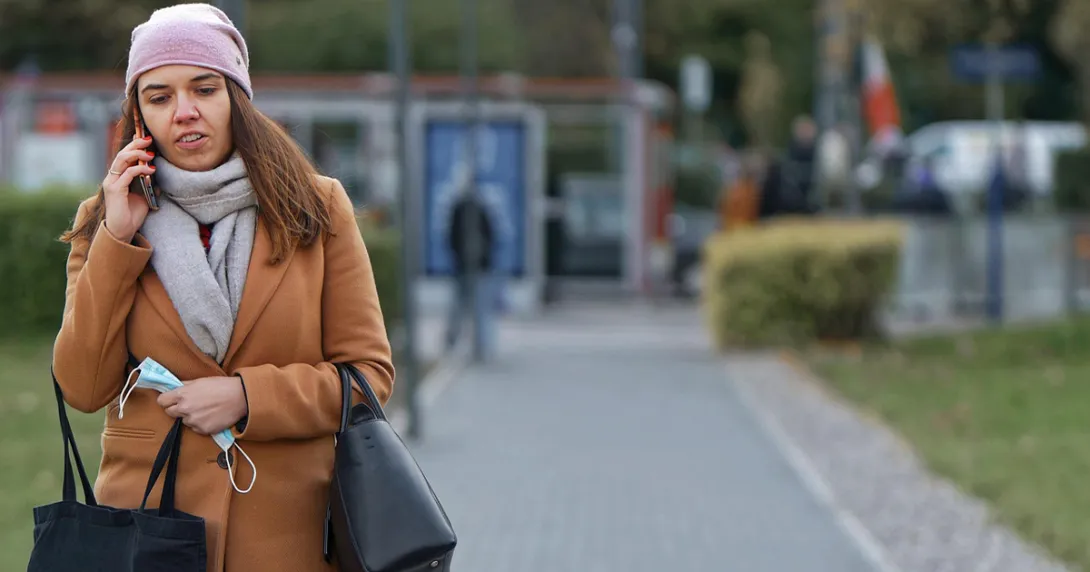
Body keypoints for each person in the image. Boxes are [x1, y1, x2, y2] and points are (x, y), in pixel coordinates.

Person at [50, 4, 395, 571]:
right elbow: (83, 388)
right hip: (148, 536)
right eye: (159, 97)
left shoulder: (316, 206)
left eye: (204, 89)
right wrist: (118, 239)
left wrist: (247, 397)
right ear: (139, 116)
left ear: (237, 97)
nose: (184, 111)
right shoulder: (106, 218)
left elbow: (368, 378)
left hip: (288, 540)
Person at [443, 183, 497, 357]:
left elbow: (450, 237)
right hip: (480, 267)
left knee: (459, 306)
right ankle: (481, 346)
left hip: (462, 267)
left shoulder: (459, 209)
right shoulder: (481, 208)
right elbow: (491, 236)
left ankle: (452, 342)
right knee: (480, 307)